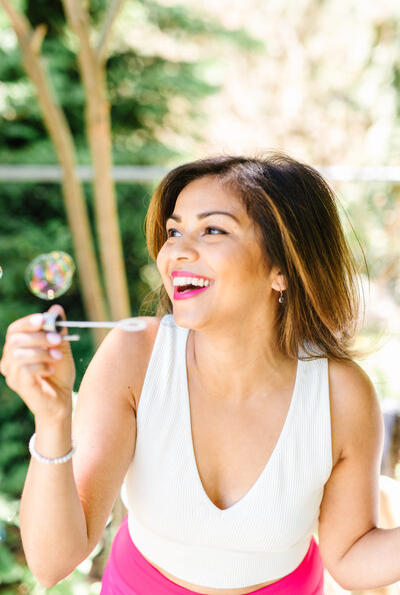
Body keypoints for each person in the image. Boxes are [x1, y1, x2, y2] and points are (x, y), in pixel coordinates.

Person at [1, 153, 400, 595]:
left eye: (213, 229)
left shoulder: (340, 393)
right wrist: (52, 416)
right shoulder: (134, 356)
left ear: (282, 270)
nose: (177, 250)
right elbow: (52, 563)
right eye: (174, 231)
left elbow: (351, 557)